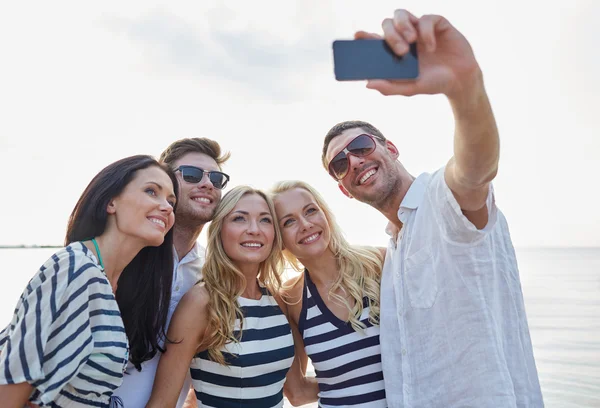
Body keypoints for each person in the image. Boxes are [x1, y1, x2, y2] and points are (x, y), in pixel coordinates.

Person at [321, 9, 544, 408]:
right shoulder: (391, 254)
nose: (354, 161)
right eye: (341, 163)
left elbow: (476, 169)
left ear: (390, 148)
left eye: (361, 147)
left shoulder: (444, 200)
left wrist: (464, 86)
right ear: (345, 191)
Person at [0, 155, 178, 408]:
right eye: (152, 191)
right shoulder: (74, 267)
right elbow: (12, 379)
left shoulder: (109, 283)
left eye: (171, 201)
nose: (167, 207)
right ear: (111, 202)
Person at [146, 186, 315, 408]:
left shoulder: (278, 300)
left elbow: (298, 391)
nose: (254, 229)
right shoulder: (201, 302)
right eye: (239, 219)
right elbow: (162, 403)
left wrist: (368, 379)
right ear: (220, 230)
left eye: (265, 220)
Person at [113, 137, 230, 408]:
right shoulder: (123, 255)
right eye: (191, 174)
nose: (207, 183)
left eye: (216, 177)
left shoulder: (212, 275)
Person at [271, 180, 387, 407]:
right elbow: (297, 393)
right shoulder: (289, 300)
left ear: (325, 215)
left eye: (311, 211)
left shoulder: (380, 264)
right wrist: (339, 384)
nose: (305, 225)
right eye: (289, 221)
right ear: (279, 239)